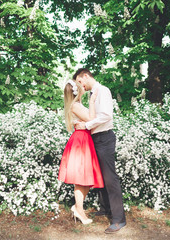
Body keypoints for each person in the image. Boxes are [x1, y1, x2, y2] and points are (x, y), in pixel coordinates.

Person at [73, 68, 126, 234]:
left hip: (105, 138)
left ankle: (119, 219)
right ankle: (105, 209)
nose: (80, 86)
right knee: (100, 176)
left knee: (110, 178)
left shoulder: (103, 91)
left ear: (86, 76)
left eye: (80, 82)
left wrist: (86, 125)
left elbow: (106, 116)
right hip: (95, 139)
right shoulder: (92, 94)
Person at [58, 80, 104, 225]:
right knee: (81, 178)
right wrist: (92, 102)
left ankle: (77, 208)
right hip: (81, 140)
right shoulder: (76, 105)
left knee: (86, 178)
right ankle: (80, 211)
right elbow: (92, 118)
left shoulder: (75, 105)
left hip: (84, 139)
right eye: (81, 87)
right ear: (77, 90)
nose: (84, 87)